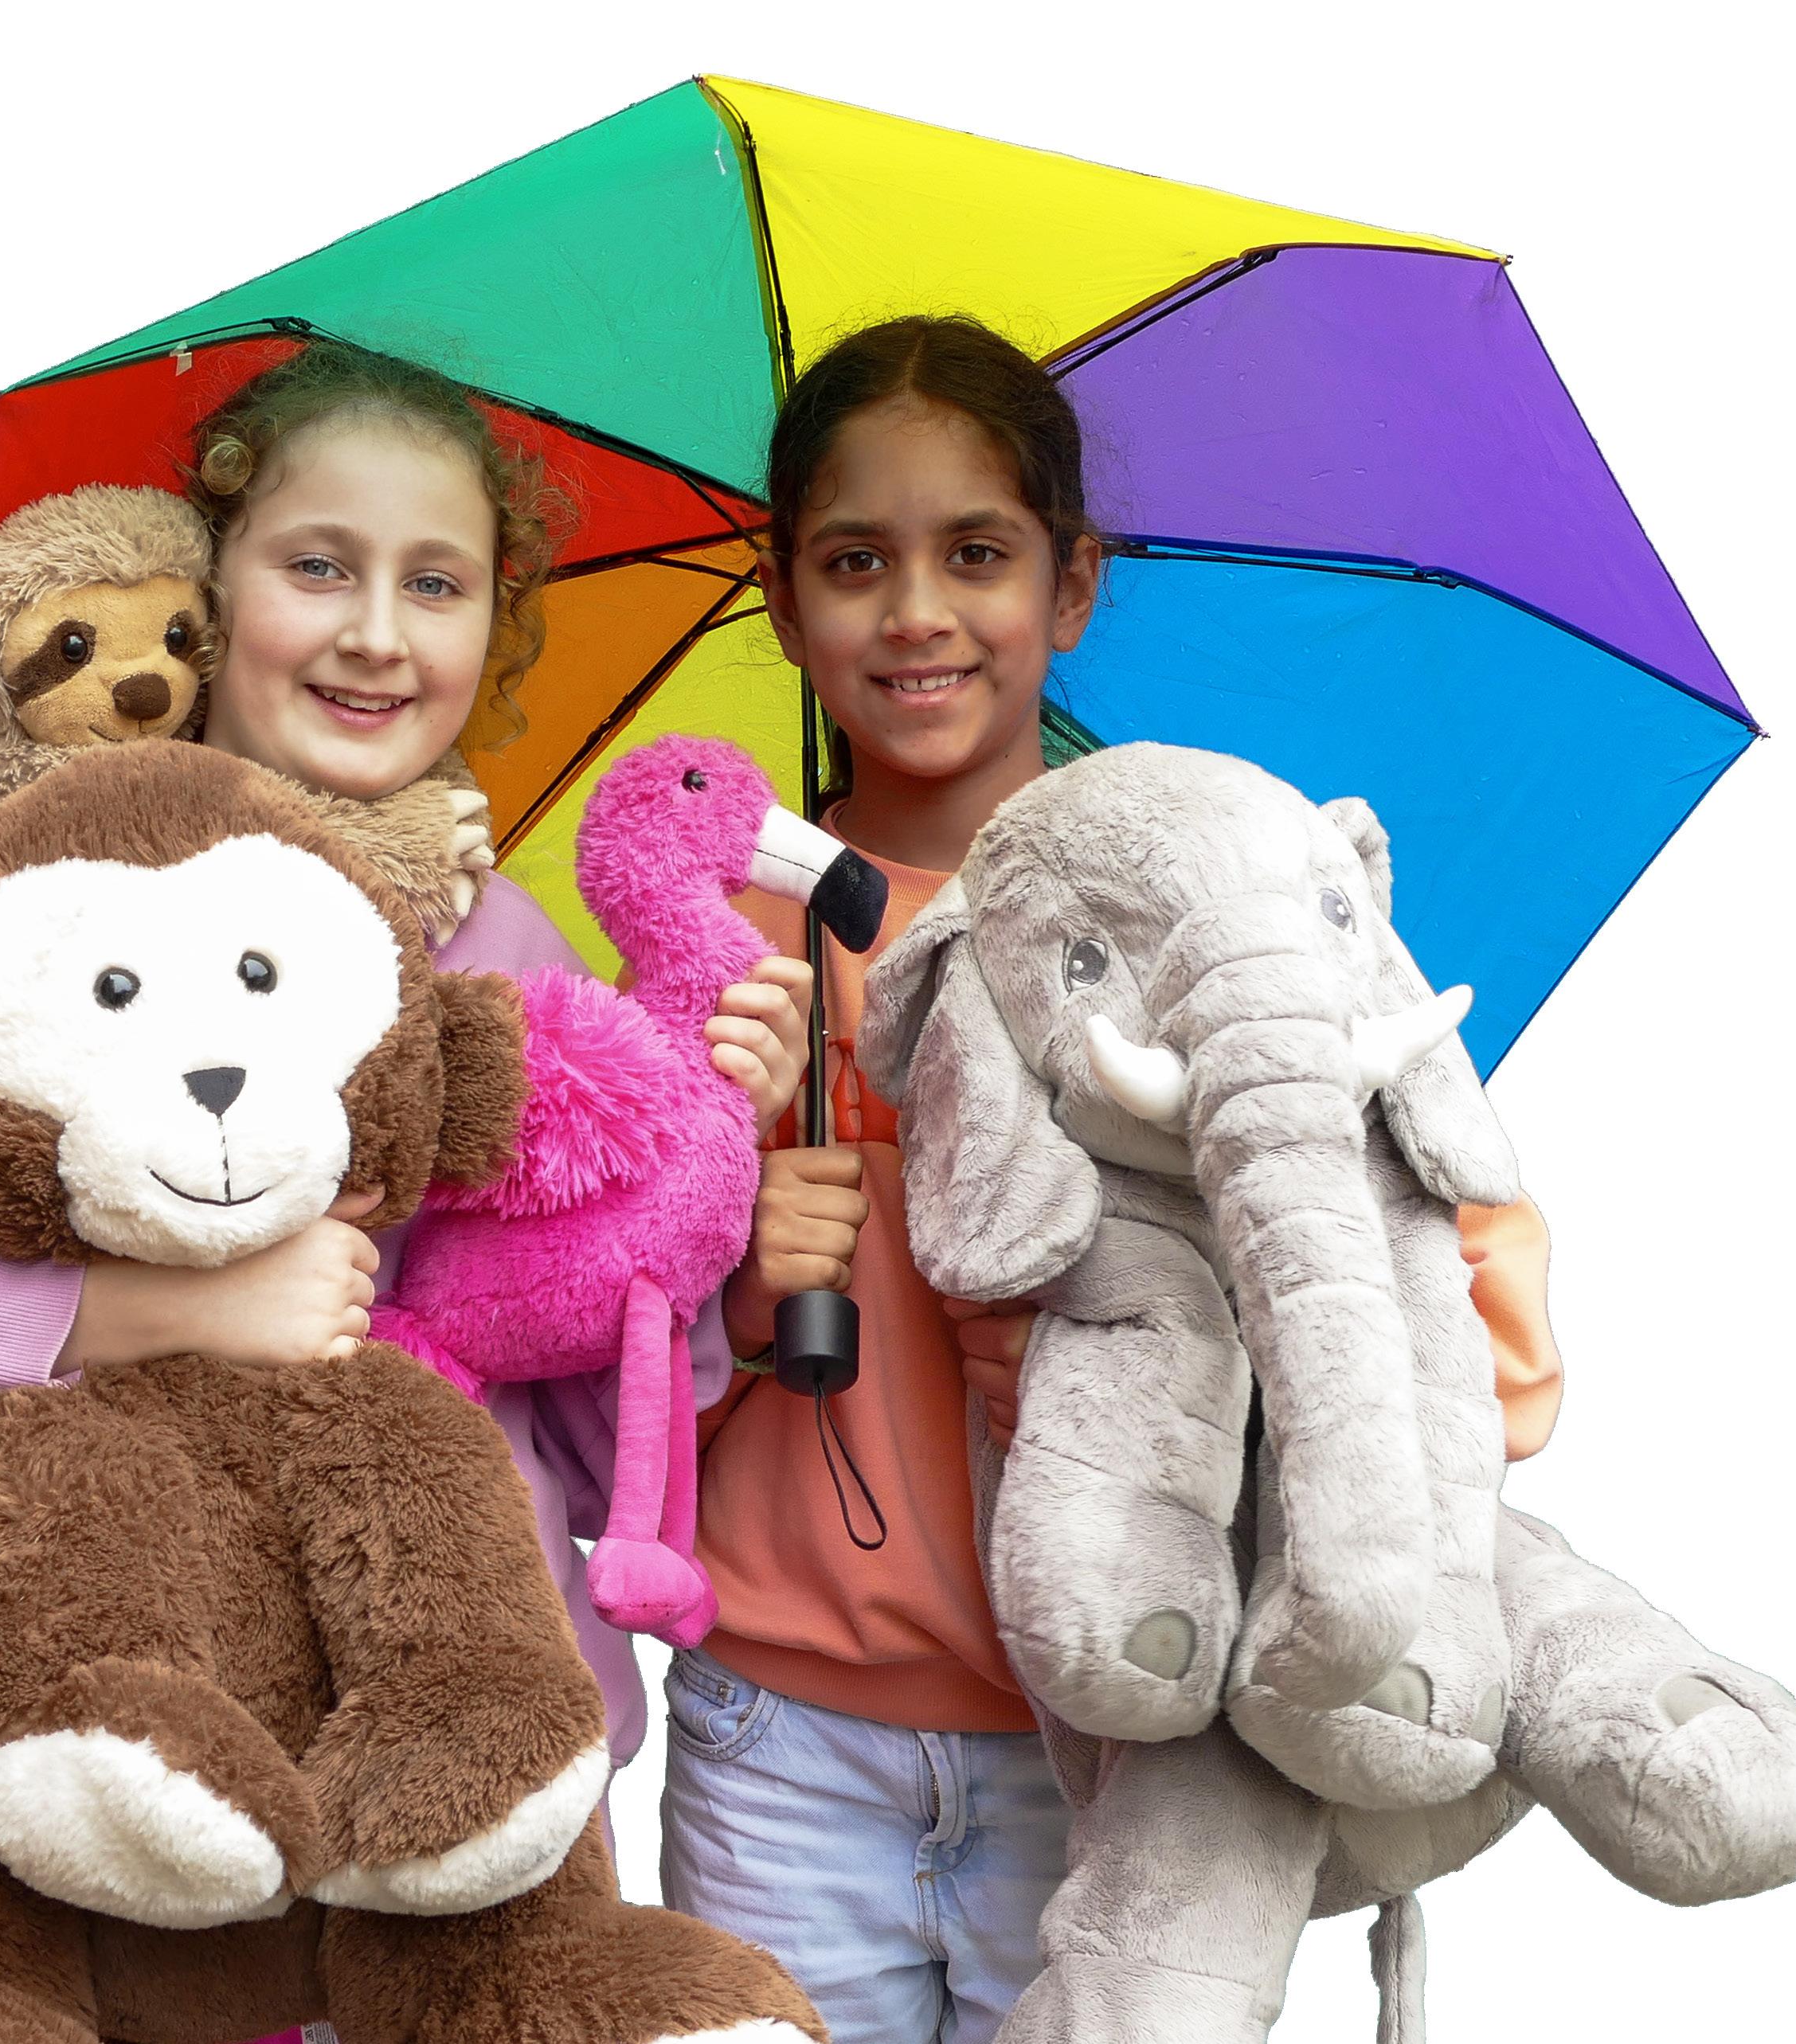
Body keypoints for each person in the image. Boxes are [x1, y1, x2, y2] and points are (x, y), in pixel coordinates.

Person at [0, 338, 813, 1792]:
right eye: (318, 566)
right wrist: (130, 1310)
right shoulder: (3, 921)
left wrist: (700, 1177)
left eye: (437, 583)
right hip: (104, 1770)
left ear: (497, 623)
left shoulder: (510, 957)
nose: (378, 635)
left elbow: (602, 1459)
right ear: (208, 599)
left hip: (468, 1765)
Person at [662, 315, 1563, 2044]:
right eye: (854, 562)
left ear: (1069, 585)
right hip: (777, 1732)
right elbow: (587, 1348)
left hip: (1104, 1739)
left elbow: (1426, 1277)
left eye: (976, 554)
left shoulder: (1203, 905)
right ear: (781, 598)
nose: (915, 612)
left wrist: (1225, 1354)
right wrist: (743, 1289)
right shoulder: (721, 933)